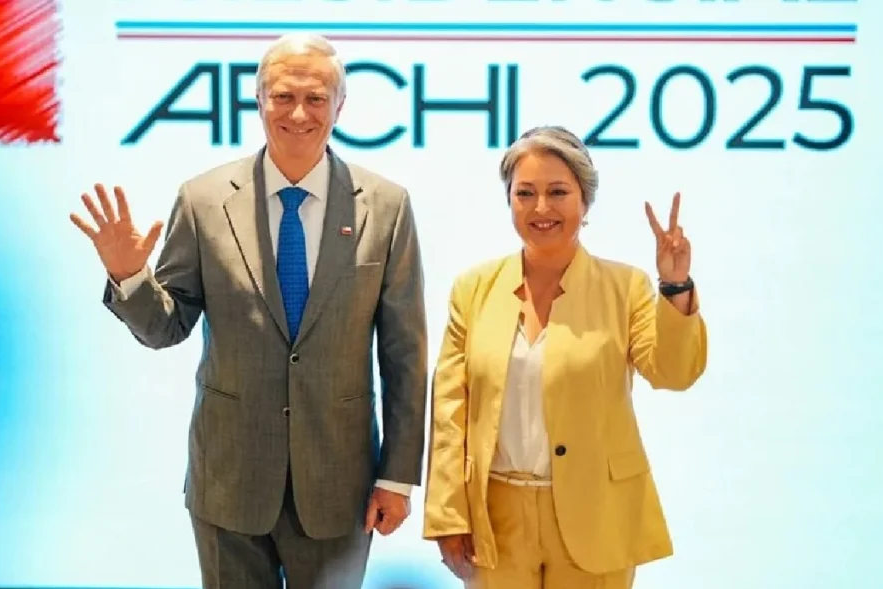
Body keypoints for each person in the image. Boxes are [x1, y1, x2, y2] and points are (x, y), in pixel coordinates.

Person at [70, 34, 428, 589]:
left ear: (340, 106)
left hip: (340, 483)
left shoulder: (386, 206)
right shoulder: (203, 200)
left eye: (316, 98)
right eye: (283, 96)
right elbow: (166, 327)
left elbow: (404, 353)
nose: (298, 113)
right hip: (228, 481)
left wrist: (397, 477)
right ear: (259, 101)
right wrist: (131, 278)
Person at [422, 125, 708, 589]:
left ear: (585, 201)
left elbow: (673, 373)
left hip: (597, 513)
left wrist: (675, 285)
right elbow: (450, 411)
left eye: (558, 192)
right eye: (525, 193)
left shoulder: (626, 287)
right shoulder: (473, 289)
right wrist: (447, 514)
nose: (541, 208)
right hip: (496, 519)